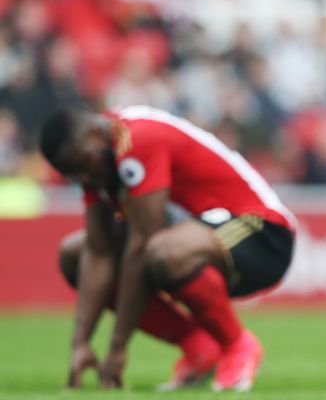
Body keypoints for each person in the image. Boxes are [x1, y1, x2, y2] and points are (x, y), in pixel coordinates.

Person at [40, 104, 297, 390]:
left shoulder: (137, 139)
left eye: (82, 165)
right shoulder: (94, 162)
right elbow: (99, 252)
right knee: (74, 255)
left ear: (95, 137)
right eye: (73, 175)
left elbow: (141, 242)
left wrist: (118, 348)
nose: (84, 178)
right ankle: (201, 348)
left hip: (262, 233)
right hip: (195, 236)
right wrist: (81, 343)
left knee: (162, 251)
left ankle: (237, 346)